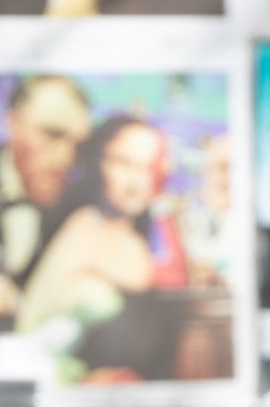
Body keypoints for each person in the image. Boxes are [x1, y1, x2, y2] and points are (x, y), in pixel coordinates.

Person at [15, 116, 189, 353]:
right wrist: (161, 205)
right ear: (97, 162)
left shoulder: (119, 233)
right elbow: (171, 278)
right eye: (123, 163)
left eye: (148, 167)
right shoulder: (89, 226)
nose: (136, 182)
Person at [0, 75, 93, 349]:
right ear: (13, 124)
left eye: (78, 144)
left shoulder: (81, 202)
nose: (66, 157)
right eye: (52, 134)